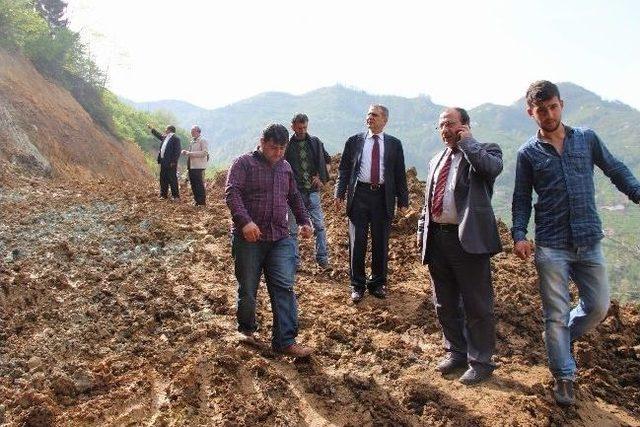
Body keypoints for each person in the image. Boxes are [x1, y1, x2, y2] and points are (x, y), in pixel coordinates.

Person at [511, 80, 640, 405]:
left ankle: (558, 338)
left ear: (561, 104)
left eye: (553, 106)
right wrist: (519, 233)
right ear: (531, 113)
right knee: (554, 314)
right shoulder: (527, 153)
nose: (549, 113)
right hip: (551, 245)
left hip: (588, 239)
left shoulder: (586, 139)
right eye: (541, 110)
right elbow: (521, 198)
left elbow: (615, 169)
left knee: (597, 307)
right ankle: (564, 377)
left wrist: (637, 192)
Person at [418, 107, 503, 385]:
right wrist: (422, 233)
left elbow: (490, 169)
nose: (445, 130)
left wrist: (467, 142)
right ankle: (456, 352)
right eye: (441, 125)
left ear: (465, 125)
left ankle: (481, 362)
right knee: (444, 302)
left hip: (467, 239)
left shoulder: (485, 151)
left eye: (451, 124)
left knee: (477, 304)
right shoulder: (436, 160)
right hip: (438, 239)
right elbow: (427, 202)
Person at [225, 123, 314, 358]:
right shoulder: (243, 164)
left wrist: (305, 221)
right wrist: (245, 222)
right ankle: (246, 329)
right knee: (248, 287)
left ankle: (285, 340)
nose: (278, 153)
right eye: (274, 147)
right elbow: (232, 193)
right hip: (249, 239)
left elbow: (293, 196)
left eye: (282, 148)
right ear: (262, 142)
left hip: (279, 237)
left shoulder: (285, 168)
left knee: (284, 286)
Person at [335, 104, 409, 302]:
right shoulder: (354, 141)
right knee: (357, 241)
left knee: (380, 242)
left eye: (374, 115)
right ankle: (357, 285)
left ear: (384, 120)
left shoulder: (394, 144)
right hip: (359, 196)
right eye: (368, 114)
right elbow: (343, 170)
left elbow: (400, 174)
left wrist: (403, 200)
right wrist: (339, 192)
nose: (370, 118)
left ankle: (378, 283)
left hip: (383, 197)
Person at [285, 113, 331, 268]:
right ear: (293, 127)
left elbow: (327, 161)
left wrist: (320, 177)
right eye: (299, 127)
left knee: (319, 226)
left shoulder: (315, 143)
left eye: (304, 127)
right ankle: (295, 262)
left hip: (312, 192)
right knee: (292, 229)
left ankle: (322, 259)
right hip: (293, 193)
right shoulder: (287, 146)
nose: (302, 130)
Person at [148, 123, 181, 200]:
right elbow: (159, 135)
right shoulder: (166, 137)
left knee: (172, 179)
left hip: (171, 163)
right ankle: (163, 195)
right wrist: (152, 129)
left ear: (170, 130)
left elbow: (177, 151)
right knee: (163, 178)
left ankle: (175, 196)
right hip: (163, 161)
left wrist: (173, 161)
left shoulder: (176, 138)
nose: (165, 130)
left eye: (166, 129)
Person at [181, 125, 209, 206]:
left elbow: (205, 153)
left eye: (193, 131)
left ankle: (201, 202)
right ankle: (197, 201)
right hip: (191, 165)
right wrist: (186, 152)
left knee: (199, 184)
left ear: (198, 132)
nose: (191, 133)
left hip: (198, 166)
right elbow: (191, 153)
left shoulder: (203, 140)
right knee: (193, 184)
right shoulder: (192, 141)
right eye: (191, 131)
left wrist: (190, 153)